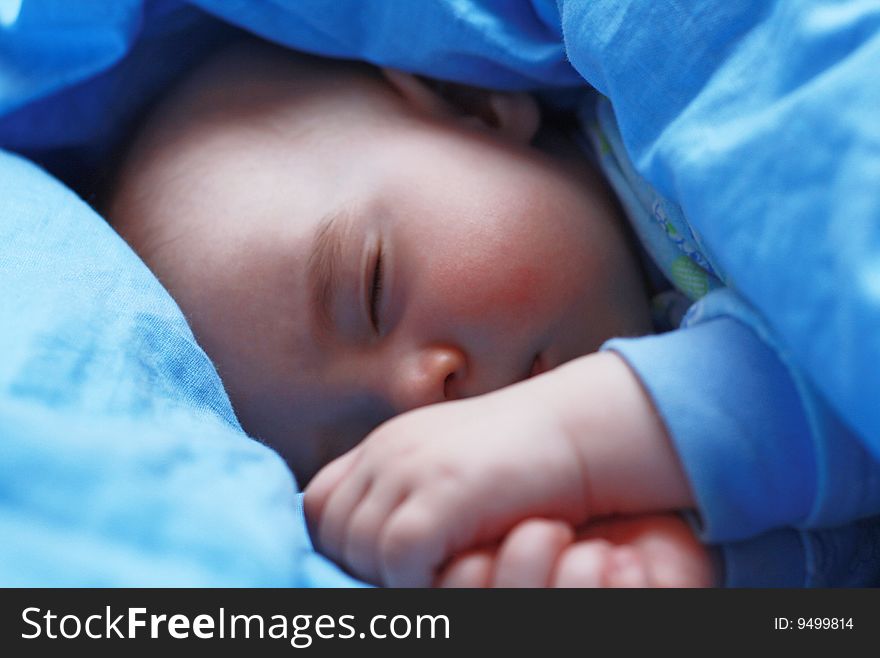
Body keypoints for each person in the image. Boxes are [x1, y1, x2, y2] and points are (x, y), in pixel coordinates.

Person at [104, 37, 879, 588]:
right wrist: (697, 561)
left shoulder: (684, 128)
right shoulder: (605, 460)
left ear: (469, 103)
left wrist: (582, 435)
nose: (420, 401)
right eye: (369, 442)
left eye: (373, 290)